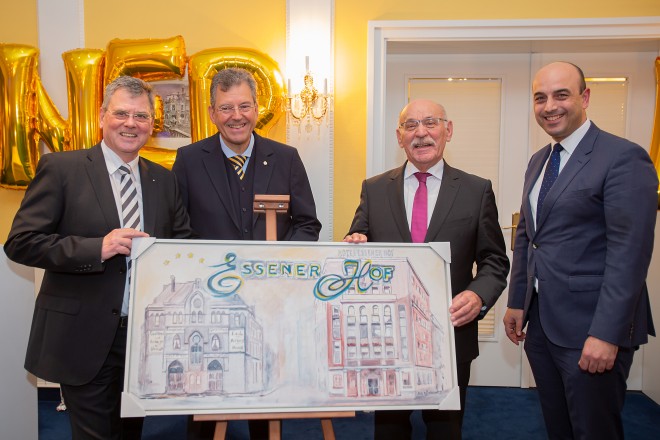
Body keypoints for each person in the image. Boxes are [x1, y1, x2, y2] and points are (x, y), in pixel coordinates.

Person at [4, 76, 195, 439]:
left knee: (130, 433)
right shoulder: (62, 169)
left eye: (141, 116)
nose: (131, 123)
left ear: (151, 126)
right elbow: (22, 242)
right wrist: (97, 247)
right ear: (102, 116)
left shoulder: (163, 180)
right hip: (81, 337)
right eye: (121, 113)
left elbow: (181, 245)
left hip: (142, 340)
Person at [503, 61, 657, 439]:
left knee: (594, 430)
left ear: (585, 97)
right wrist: (517, 300)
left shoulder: (623, 157)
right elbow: (528, 235)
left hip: (593, 329)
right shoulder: (540, 161)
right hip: (541, 325)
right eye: (540, 98)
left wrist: (607, 333)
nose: (549, 106)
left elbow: (629, 254)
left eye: (561, 95)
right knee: (560, 427)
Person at [344, 98, 510, 439]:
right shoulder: (374, 189)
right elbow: (360, 237)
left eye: (431, 123)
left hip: (451, 333)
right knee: (389, 430)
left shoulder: (476, 190)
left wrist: (478, 296)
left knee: (445, 430)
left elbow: (494, 260)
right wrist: (355, 243)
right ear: (399, 136)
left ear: (447, 130)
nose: (421, 133)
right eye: (411, 125)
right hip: (386, 336)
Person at [172, 67, 322, 439]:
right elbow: (177, 230)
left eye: (243, 106)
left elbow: (307, 225)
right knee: (204, 403)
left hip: (270, 300)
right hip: (210, 301)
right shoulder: (188, 160)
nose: (235, 116)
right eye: (225, 108)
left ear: (257, 108)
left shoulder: (286, 158)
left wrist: (277, 267)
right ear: (211, 113)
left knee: (264, 393)